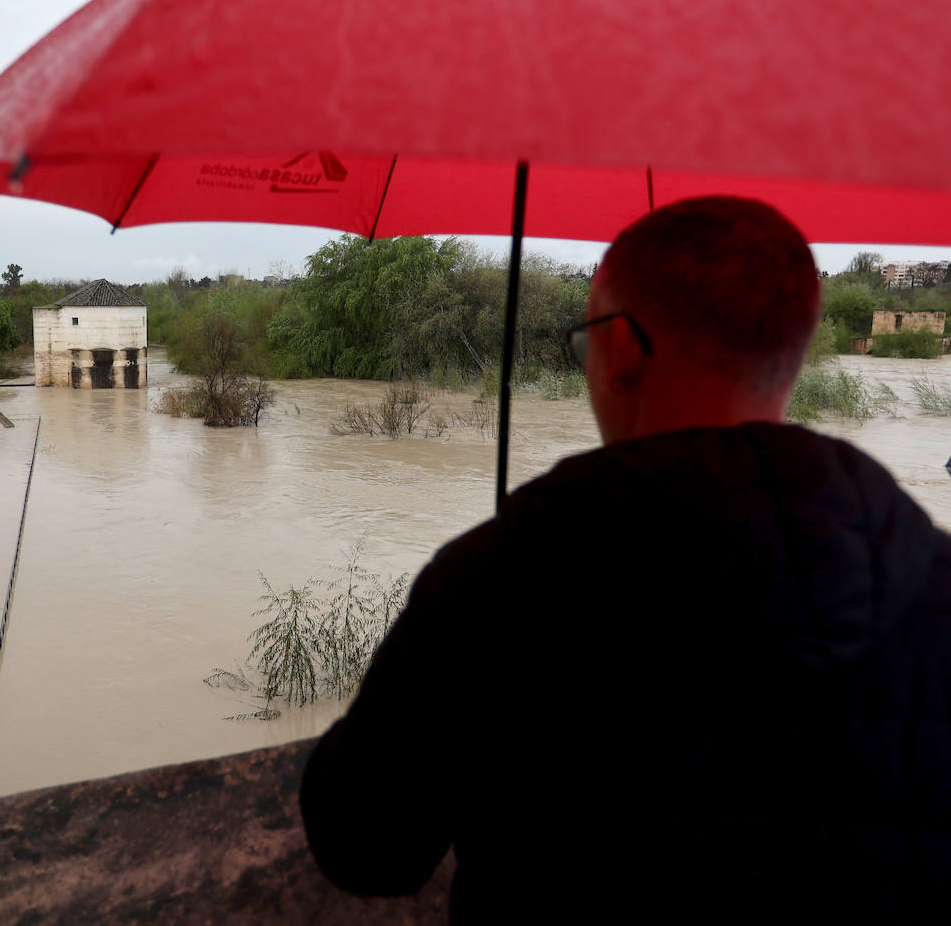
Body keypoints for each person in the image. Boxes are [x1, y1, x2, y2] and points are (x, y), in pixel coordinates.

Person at [299, 197, 951, 923]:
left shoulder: (498, 578)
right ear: (790, 355)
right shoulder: (935, 573)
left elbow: (366, 846)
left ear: (618, 351)